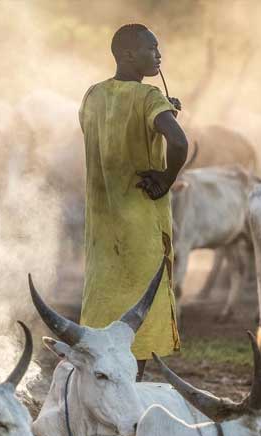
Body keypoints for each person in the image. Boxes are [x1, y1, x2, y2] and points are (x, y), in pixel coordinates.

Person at [78, 23, 189, 381]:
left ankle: (100, 395)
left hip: (102, 231)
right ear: (128, 54)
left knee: (105, 310)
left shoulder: (92, 96)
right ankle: (131, 389)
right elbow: (179, 143)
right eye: (151, 49)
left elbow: (114, 128)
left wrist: (161, 108)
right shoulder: (149, 97)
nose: (159, 55)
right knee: (139, 318)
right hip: (140, 228)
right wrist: (166, 179)